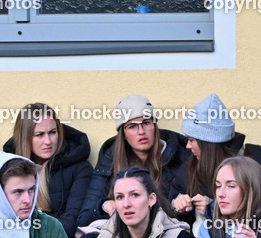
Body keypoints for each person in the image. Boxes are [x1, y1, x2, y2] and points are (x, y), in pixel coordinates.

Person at [171, 93, 261, 227]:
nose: (187, 146)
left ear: (208, 143)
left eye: (191, 140)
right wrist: (178, 207)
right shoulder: (189, 168)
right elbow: (174, 222)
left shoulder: (259, 160)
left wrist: (215, 209)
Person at [78, 94, 189, 227]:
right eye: (132, 126)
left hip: (166, 236)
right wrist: (104, 205)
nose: (141, 131)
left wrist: (181, 207)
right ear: (123, 133)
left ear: (154, 125)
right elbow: (83, 218)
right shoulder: (110, 160)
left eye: (146, 123)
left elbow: (191, 215)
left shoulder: (179, 155)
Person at [4, 102, 93, 238]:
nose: (48, 141)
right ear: (25, 138)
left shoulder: (80, 168)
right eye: (39, 135)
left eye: (52, 132)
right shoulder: (8, 170)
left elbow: (72, 218)